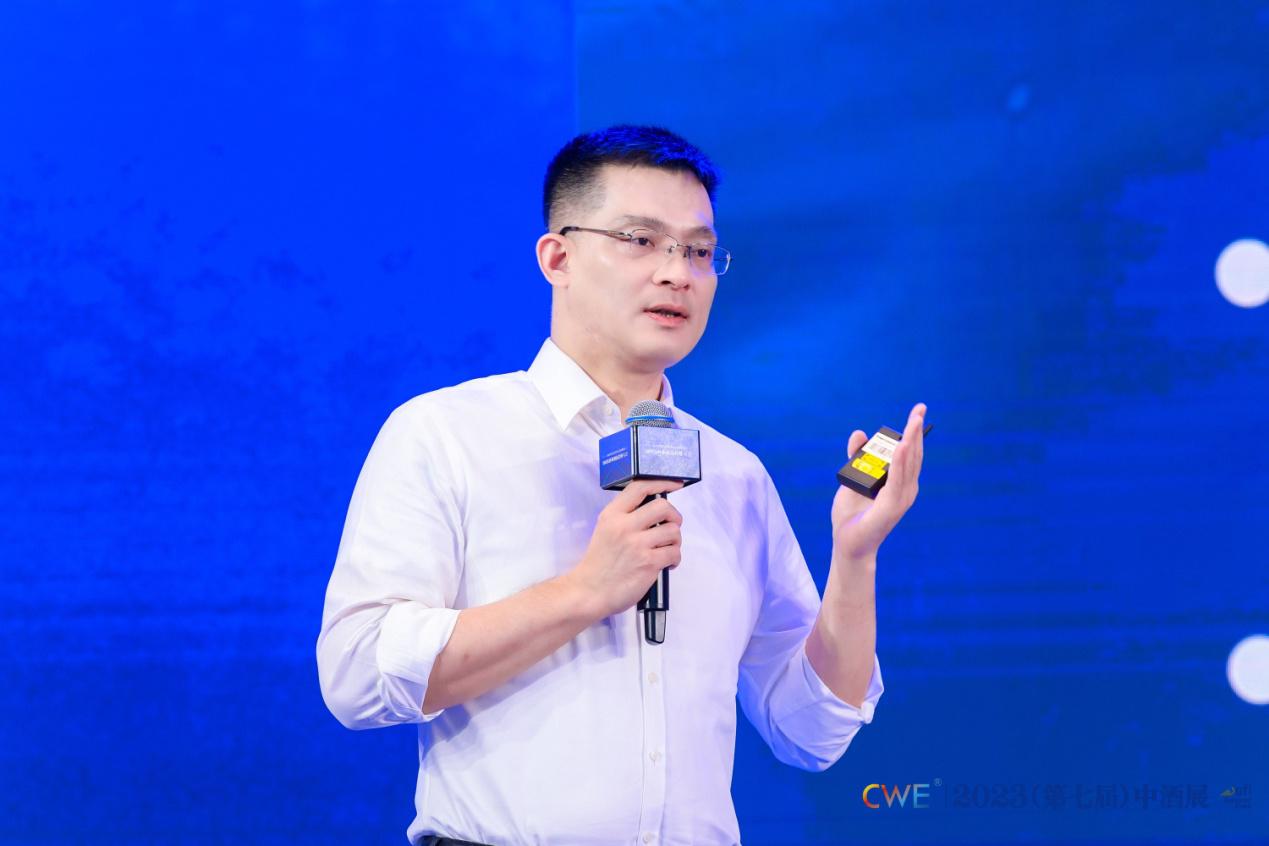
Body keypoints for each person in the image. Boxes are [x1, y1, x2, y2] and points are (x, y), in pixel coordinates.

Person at [317, 125, 926, 846]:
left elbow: (812, 732)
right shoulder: (447, 434)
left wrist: (854, 561)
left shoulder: (734, 475)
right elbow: (356, 676)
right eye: (641, 240)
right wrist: (584, 591)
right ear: (558, 258)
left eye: (698, 251)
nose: (677, 273)